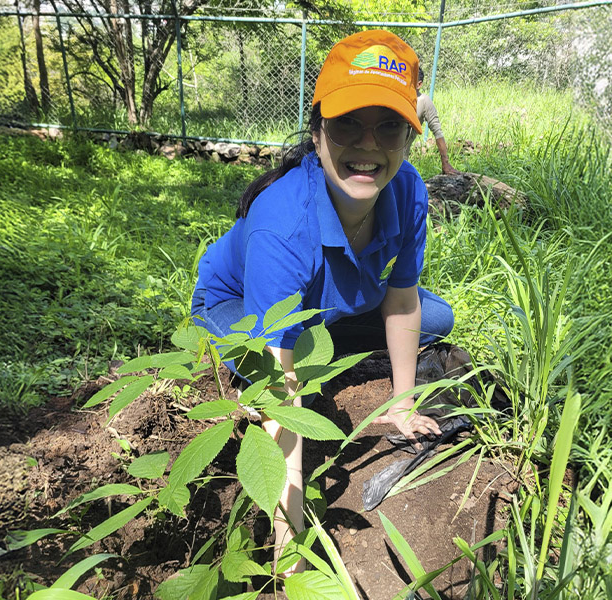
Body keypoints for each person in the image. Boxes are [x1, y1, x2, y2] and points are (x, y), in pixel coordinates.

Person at [191, 29, 454, 575]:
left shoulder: (409, 192)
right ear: (317, 133)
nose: (368, 145)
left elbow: (403, 300)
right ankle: (279, 350)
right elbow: (280, 382)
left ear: (410, 138)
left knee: (436, 317)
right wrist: (288, 528)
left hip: (328, 300)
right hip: (239, 302)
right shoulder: (282, 224)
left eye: (389, 127)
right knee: (273, 369)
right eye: (347, 124)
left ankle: (328, 344)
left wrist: (401, 406)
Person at [413, 65, 459, 175]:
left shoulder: (423, 101)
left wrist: (445, 163)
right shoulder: (395, 98)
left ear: (419, 84)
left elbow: (438, 132)